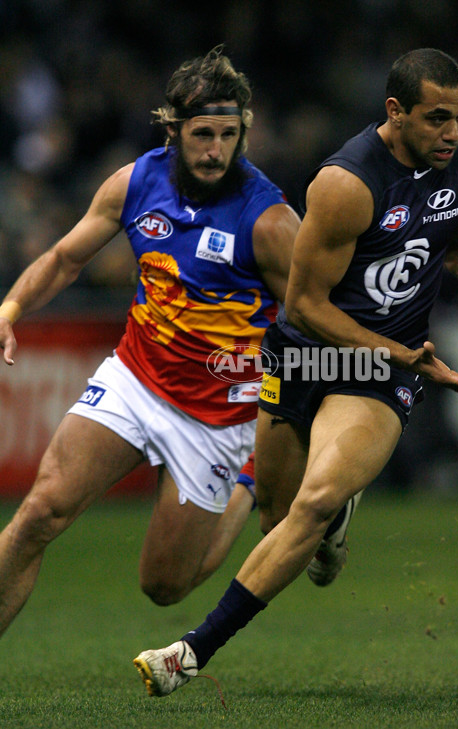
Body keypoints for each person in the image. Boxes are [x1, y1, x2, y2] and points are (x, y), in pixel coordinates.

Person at [132, 47, 458, 696]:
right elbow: (304, 304)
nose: (452, 133)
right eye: (436, 119)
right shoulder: (345, 184)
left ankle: (190, 652)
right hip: (304, 351)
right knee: (277, 517)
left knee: (310, 503)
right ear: (395, 113)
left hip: (379, 369)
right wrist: (394, 348)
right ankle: (331, 519)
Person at [0, 47, 300, 637]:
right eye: (203, 134)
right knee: (40, 512)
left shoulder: (268, 221)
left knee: (163, 587)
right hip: (135, 380)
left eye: (229, 134)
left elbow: (313, 319)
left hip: (217, 418)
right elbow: (65, 258)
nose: (216, 150)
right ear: (173, 130)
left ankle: (248, 480)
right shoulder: (137, 181)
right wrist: (10, 306)